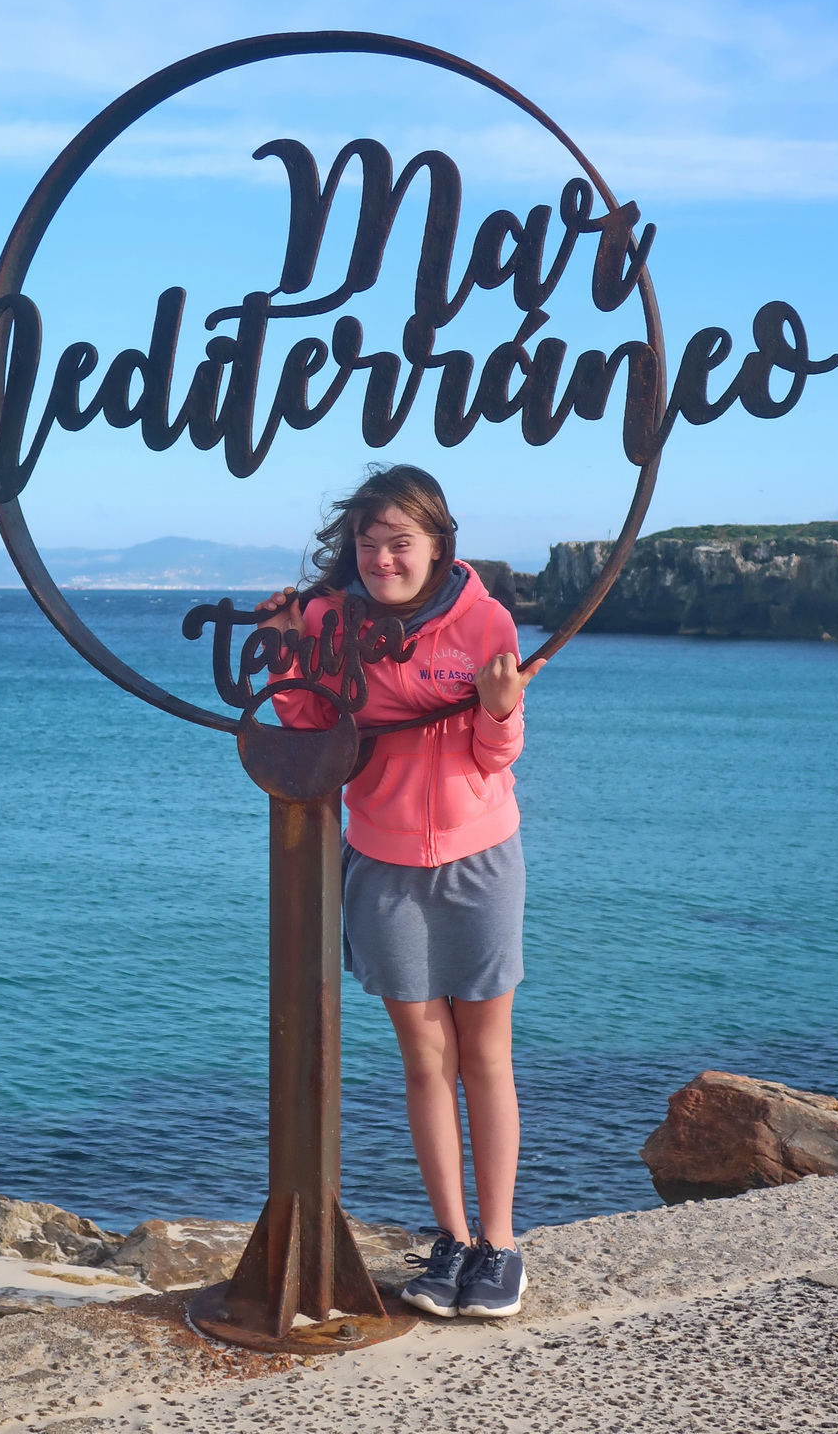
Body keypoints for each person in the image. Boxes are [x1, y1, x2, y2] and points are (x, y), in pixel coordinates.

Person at [256, 463, 545, 1319]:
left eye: (400, 543)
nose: (382, 558)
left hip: (479, 858)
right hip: (380, 863)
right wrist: (284, 646)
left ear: (437, 545)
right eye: (368, 543)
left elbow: (496, 758)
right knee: (425, 1060)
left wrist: (498, 712)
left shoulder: (483, 620)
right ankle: (451, 1240)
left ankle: (501, 1246)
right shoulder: (329, 619)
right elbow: (312, 731)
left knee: (484, 1054)